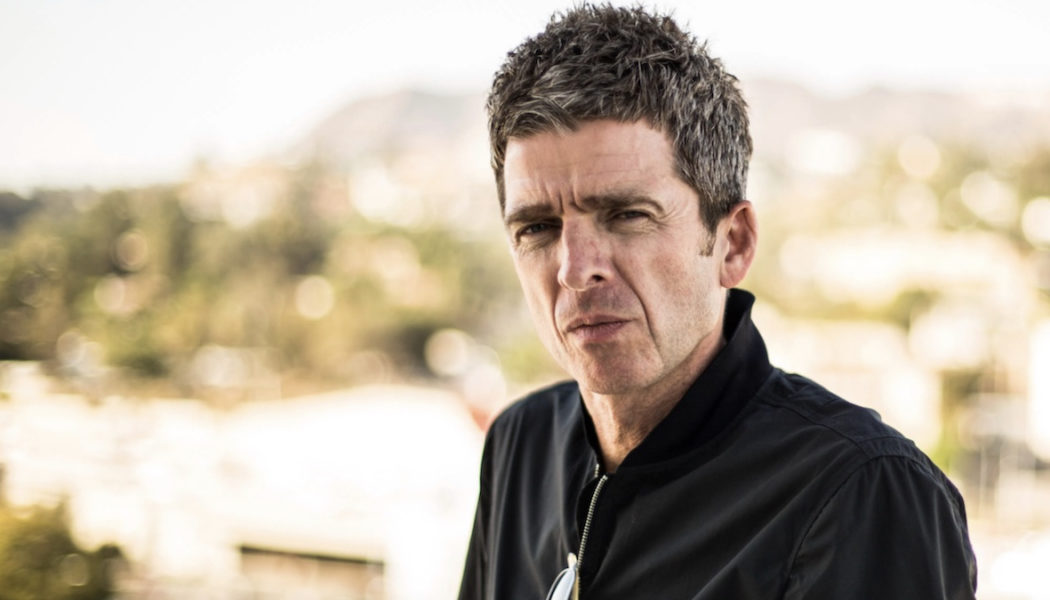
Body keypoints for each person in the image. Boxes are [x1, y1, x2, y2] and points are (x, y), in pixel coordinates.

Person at [458, 4, 978, 599]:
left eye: (627, 215)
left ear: (733, 244)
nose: (575, 270)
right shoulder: (520, 446)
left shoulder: (861, 493)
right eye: (537, 228)